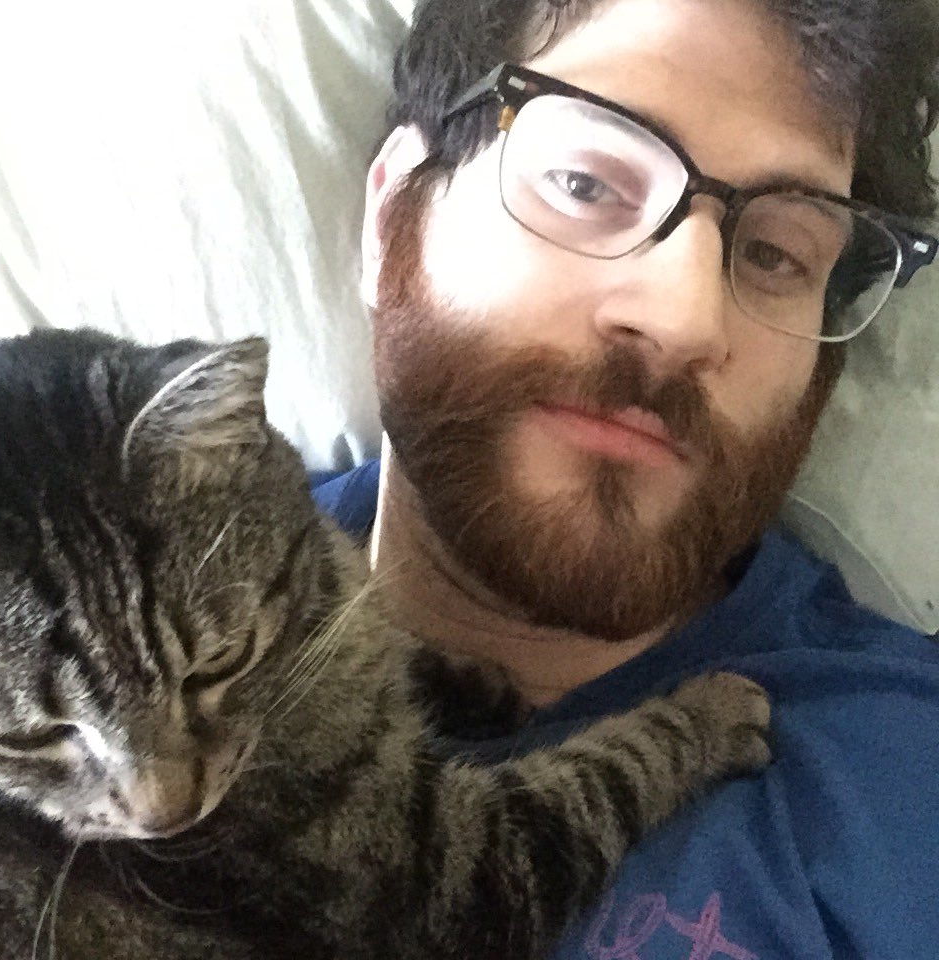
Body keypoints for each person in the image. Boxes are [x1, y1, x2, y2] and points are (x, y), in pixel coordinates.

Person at [313, 0, 939, 955]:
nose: (685, 319)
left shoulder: (904, 791)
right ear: (393, 211)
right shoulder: (99, 613)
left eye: (775, 253)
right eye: (584, 182)